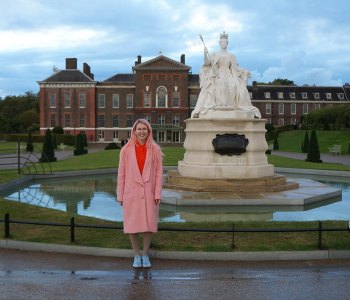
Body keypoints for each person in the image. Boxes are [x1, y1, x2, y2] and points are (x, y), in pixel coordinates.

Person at [117, 119, 163, 268]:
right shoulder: (126, 150)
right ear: (134, 131)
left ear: (149, 131)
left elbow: (158, 174)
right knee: (132, 225)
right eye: (139, 129)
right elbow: (121, 174)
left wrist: (157, 194)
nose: (142, 131)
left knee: (149, 225)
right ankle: (136, 255)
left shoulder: (155, 150)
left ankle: (145, 254)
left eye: (145, 129)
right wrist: (120, 195)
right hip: (132, 193)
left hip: (149, 193)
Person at [191, 32, 261, 118]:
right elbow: (207, 63)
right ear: (219, 43)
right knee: (221, 84)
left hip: (229, 74)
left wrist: (244, 71)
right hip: (218, 73)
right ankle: (221, 106)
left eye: (225, 42)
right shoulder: (215, 54)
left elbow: (236, 68)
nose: (223, 44)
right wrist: (205, 54)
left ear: (227, 43)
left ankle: (229, 106)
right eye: (222, 42)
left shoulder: (231, 56)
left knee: (234, 86)